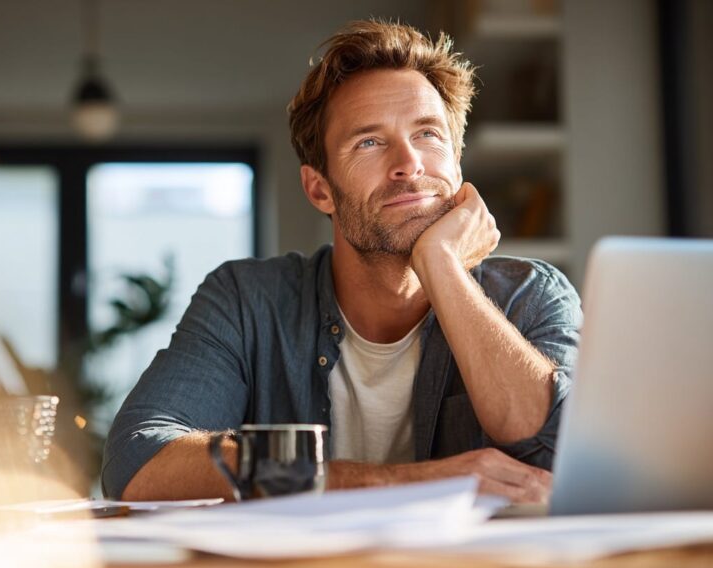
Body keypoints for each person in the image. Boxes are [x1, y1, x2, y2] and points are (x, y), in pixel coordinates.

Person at [102, 19, 581, 504]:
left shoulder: (531, 295)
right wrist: (397, 483)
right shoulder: (247, 301)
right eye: (369, 142)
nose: (409, 163)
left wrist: (442, 265)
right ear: (320, 189)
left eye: (429, 135)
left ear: (457, 163)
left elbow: (560, 454)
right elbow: (138, 459)